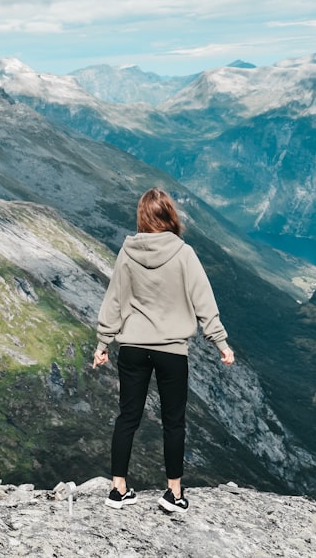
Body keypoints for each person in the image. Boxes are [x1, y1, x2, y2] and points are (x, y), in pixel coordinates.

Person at [92, 187, 235, 514]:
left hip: (132, 348)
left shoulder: (127, 252)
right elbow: (204, 303)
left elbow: (114, 301)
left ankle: (118, 489)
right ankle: (173, 494)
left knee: (127, 417)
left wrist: (103, 344)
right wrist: (221, 344)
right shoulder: (183, 253)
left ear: (142, 217)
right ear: (170, 216)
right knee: (174, 422)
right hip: (172, 351)